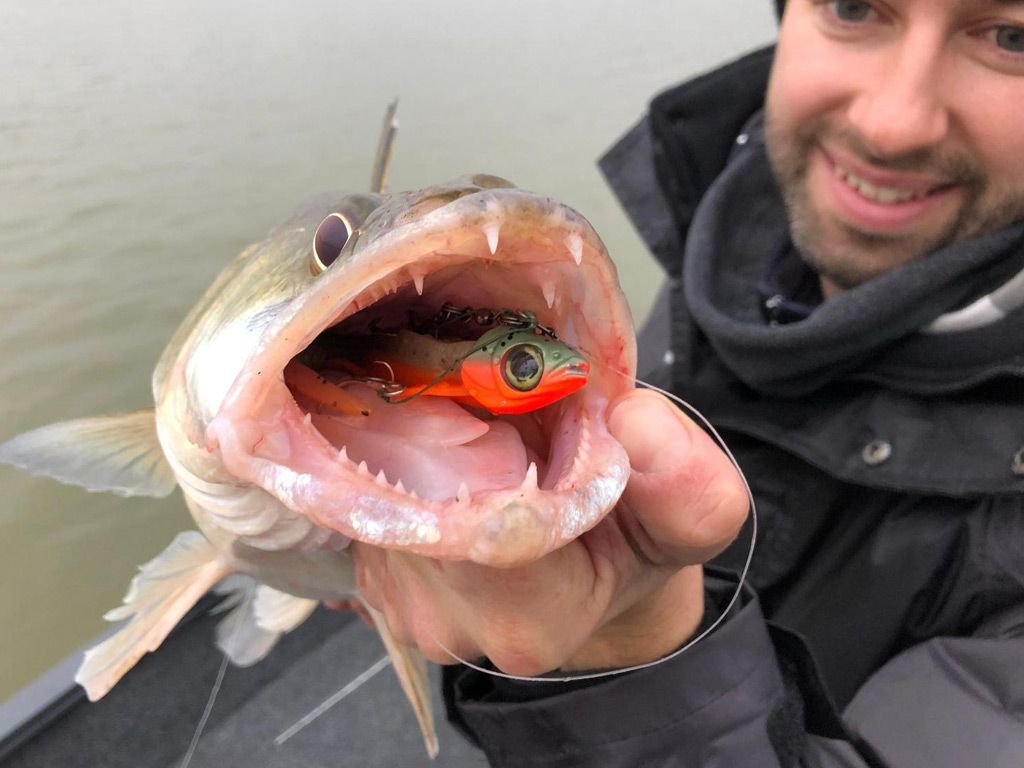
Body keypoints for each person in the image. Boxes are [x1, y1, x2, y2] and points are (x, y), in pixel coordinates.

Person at [350, 1, 1024, 764]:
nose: (891, 124)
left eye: (1012, 37)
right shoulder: (724, 231)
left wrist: (636, 648)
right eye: (852, 6)